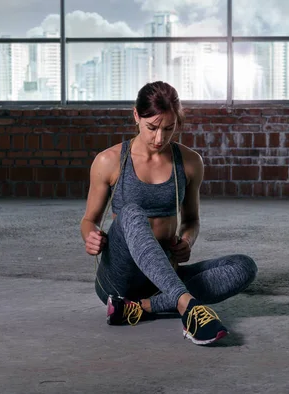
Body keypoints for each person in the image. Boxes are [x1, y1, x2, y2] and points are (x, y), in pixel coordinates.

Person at [80, 81, 257, 345]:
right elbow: (88, 221)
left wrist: (187, 240)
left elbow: (191, 221)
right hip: (119, 279)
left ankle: (142, 307)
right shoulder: (110, 161)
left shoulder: (189, 162)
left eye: (168, 128)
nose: (160, 138)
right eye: (152, 128)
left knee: (244, 266)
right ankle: (188, 306)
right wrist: (90, 236)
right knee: (130, 212)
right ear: (136, 116)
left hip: (163, 277)